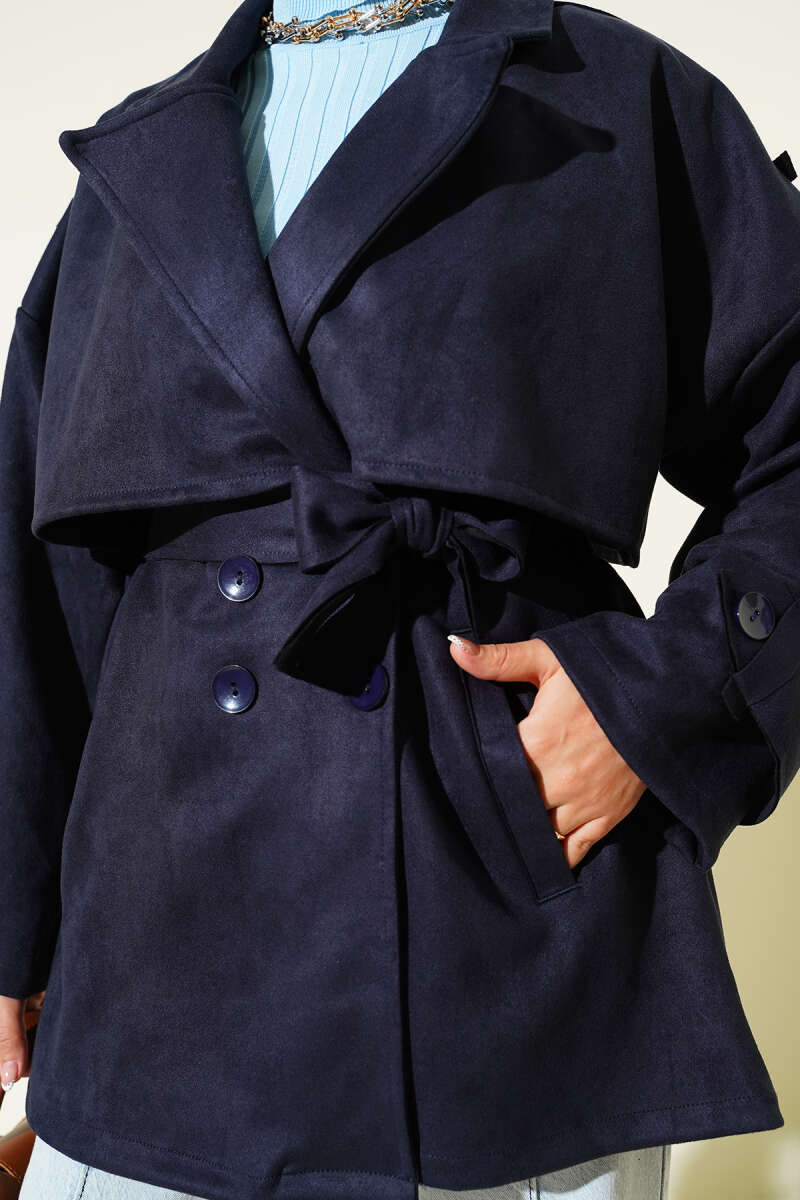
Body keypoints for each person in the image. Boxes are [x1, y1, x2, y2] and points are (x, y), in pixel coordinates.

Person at [2, 0, 797, 1197]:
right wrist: (12, 916)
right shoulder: (139, 154)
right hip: (151, 977)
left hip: (488, 945)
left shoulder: (612, 98)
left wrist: (653, 698)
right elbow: (39, 565)